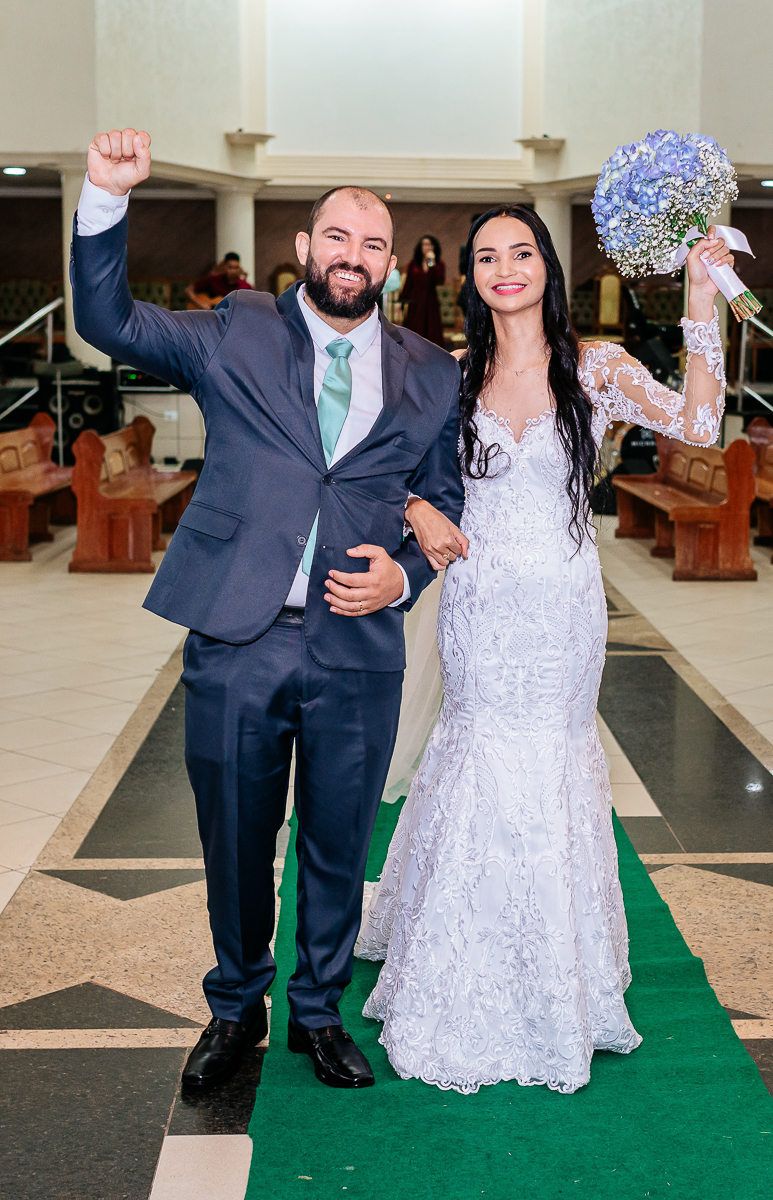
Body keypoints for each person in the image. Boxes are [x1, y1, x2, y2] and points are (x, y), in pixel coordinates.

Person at [71, 127, 463, 1091]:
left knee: (337, 841)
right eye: (337, 237)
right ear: (304, 246)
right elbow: (110, 319)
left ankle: (318, 1014)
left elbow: (447, 501)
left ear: (392, 259)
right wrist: (103, 198)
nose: (354, 258)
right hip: (239, 635)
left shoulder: (430, 369)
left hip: (359, 644)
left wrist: (404, 575)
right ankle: (235, 1008)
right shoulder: (235, 328)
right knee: (237, 839)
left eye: (374, 245)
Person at [357, 203, 731, 1095]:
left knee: (552, 759)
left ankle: (558, 968)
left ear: (545, 267)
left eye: (519, 252)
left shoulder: (595, 368)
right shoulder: (448, 373)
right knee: (479, 745)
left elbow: (700, 425)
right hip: (480, 600)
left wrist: (700, 300)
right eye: (486, 257)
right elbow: (384, 471)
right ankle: (458, 949)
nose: (504, 268)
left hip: (563, 607)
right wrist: (415, 510)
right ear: (469, 278)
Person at [400, 235, 446, 346]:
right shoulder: (413, 264)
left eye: (430, 244)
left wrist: (432, 263)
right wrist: (402, 300)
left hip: (430, 299)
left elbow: (438, 280)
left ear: (434, 247)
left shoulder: (439, 264)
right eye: (424, 244)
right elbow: (409, 283)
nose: (427, 247)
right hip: (415, 299)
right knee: (414, 326)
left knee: (431, 328)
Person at [185, 252, 254, 310]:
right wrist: (200, 303)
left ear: (239, 268)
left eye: (236, 268)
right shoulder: (213, 279)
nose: (233, 271)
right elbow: (188, 290)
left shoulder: (245, 286)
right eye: (230, 267)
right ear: (224, 267)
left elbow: (251, 304)